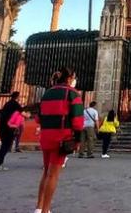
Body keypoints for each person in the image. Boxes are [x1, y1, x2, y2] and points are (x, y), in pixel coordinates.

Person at [34, 68, 84, 213]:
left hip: (45, 137)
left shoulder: (47, 93)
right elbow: (77, 121)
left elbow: (38, 118)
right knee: (53, 175)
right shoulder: (73, 94)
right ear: (69, 78)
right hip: (61, 139)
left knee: (45, 173)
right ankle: (46, 210)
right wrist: (78, 140)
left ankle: (38, 207)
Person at [0, 91, 22, 171]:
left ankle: (0, 163)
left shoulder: (7, 103)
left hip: (2, 126)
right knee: (6, 145)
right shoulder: (15, 104)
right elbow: (22, 111)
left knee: (5, 145)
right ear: (17, 97)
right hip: (8, 127)